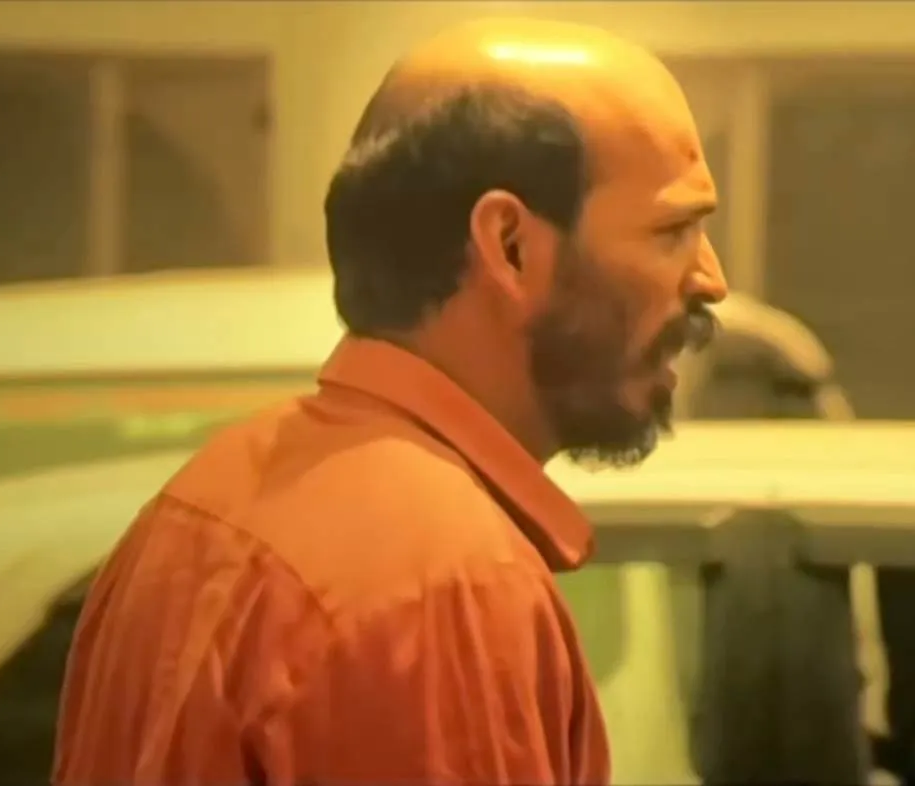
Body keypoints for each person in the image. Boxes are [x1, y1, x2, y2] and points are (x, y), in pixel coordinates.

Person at [52, 16, 728, 786]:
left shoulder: (196, 509)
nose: (712, 279)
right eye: (673, 232)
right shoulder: (444, 584)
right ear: (509, 245)